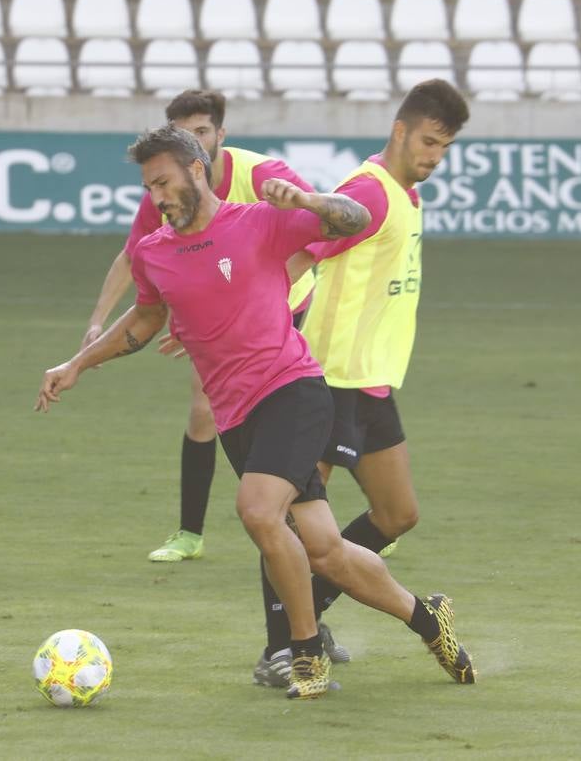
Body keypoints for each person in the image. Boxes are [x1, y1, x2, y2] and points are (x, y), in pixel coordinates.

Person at [38, 125, 473, 699]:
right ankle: (427, 618)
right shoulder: (154, 253)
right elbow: (144, 321)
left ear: (197, 169)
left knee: (258, 512)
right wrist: (77, 364)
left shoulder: (257, 221)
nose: (157, 197)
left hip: (293, 390)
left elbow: (355, 220)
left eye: (164, 182)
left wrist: (312, 201)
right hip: (236, 418)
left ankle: (306, 655)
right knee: (324, 549)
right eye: (149, 188)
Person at [251, 79, 471, 687]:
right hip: (327, 379)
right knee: (291, 520)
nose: (433, 156)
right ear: (400, 130)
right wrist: (259, 314)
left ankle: (311, 613)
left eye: (444, 147)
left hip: (369, 381)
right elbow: (302, 252)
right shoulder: (368, 192)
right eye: (427, 141)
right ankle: (284, 648)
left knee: (397, 513)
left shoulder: (403, 193)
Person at [81, 90, 317, 563]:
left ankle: (305, 520)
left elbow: (318, 234)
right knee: (203, 409)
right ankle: (192, 532)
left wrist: (238, 301)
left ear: (220, 136)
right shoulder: (165, 190)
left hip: (283, 300)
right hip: (218, 306)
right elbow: (134, 255)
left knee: (286, 404)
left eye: (203, 131)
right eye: (185, 133)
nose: (195, 140)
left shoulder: (263, 174)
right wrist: (97, 321)